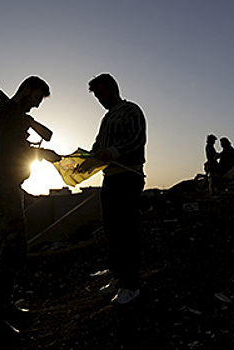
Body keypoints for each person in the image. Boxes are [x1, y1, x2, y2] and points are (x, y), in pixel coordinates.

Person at [0, 76, 58, 340]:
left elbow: (18, 144)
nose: (36, 106)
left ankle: (1, 309)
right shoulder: (8, 112)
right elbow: (10, 150)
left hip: (7, 187)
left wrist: (35, 144)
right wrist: (42, 154)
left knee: (6, 249)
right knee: (13, 249)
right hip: (4, 187)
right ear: (27, 90)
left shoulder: (13, 114)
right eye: (36, 98)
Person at [86, 73, 147, 305]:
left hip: (128, 176)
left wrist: (113, 152)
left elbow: (137, 140)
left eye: (103, 92)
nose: (101, 98)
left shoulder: (132, 111)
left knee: (126, 232)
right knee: (112, 231)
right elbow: (98, 146)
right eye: (98, 95)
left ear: (113, 88)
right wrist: (88, 157)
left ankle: (131, 285)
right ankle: (119, 277)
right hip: (110, 178)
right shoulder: (106, 119)